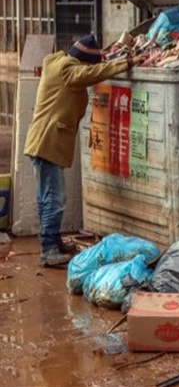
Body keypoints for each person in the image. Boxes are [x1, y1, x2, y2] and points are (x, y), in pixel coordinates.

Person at [24, 34, 138, 266]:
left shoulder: (56, 63)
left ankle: (52, 243)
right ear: (84, 62)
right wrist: (124, 63)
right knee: (54, 199)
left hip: (43, 141)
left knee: (47, 198)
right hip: (48, 142)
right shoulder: (67, 69)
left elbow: (86, 72)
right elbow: (87, 75)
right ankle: (48, 250)